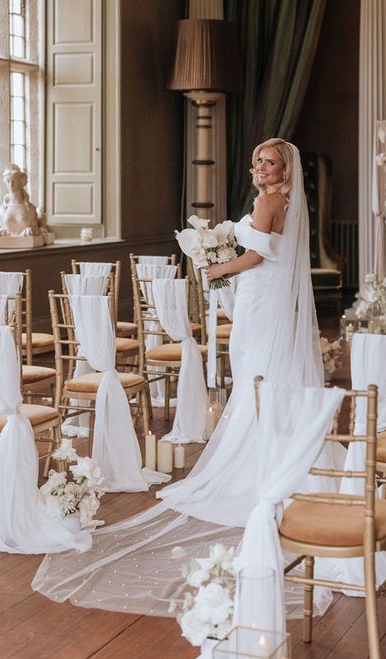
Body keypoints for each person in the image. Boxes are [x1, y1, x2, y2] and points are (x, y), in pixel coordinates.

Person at [32, 139, 333, 614]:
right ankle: (281, 444)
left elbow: (255, 258)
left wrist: (214, 267)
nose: (261, 167)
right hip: (266, 298)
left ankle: (258, 457)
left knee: (256, 372)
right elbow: (263, 253)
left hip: (258, 296)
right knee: (267, 374)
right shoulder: (289, 202)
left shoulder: (267, 200)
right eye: (257, 160)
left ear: (284, 168)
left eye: (269, 161)